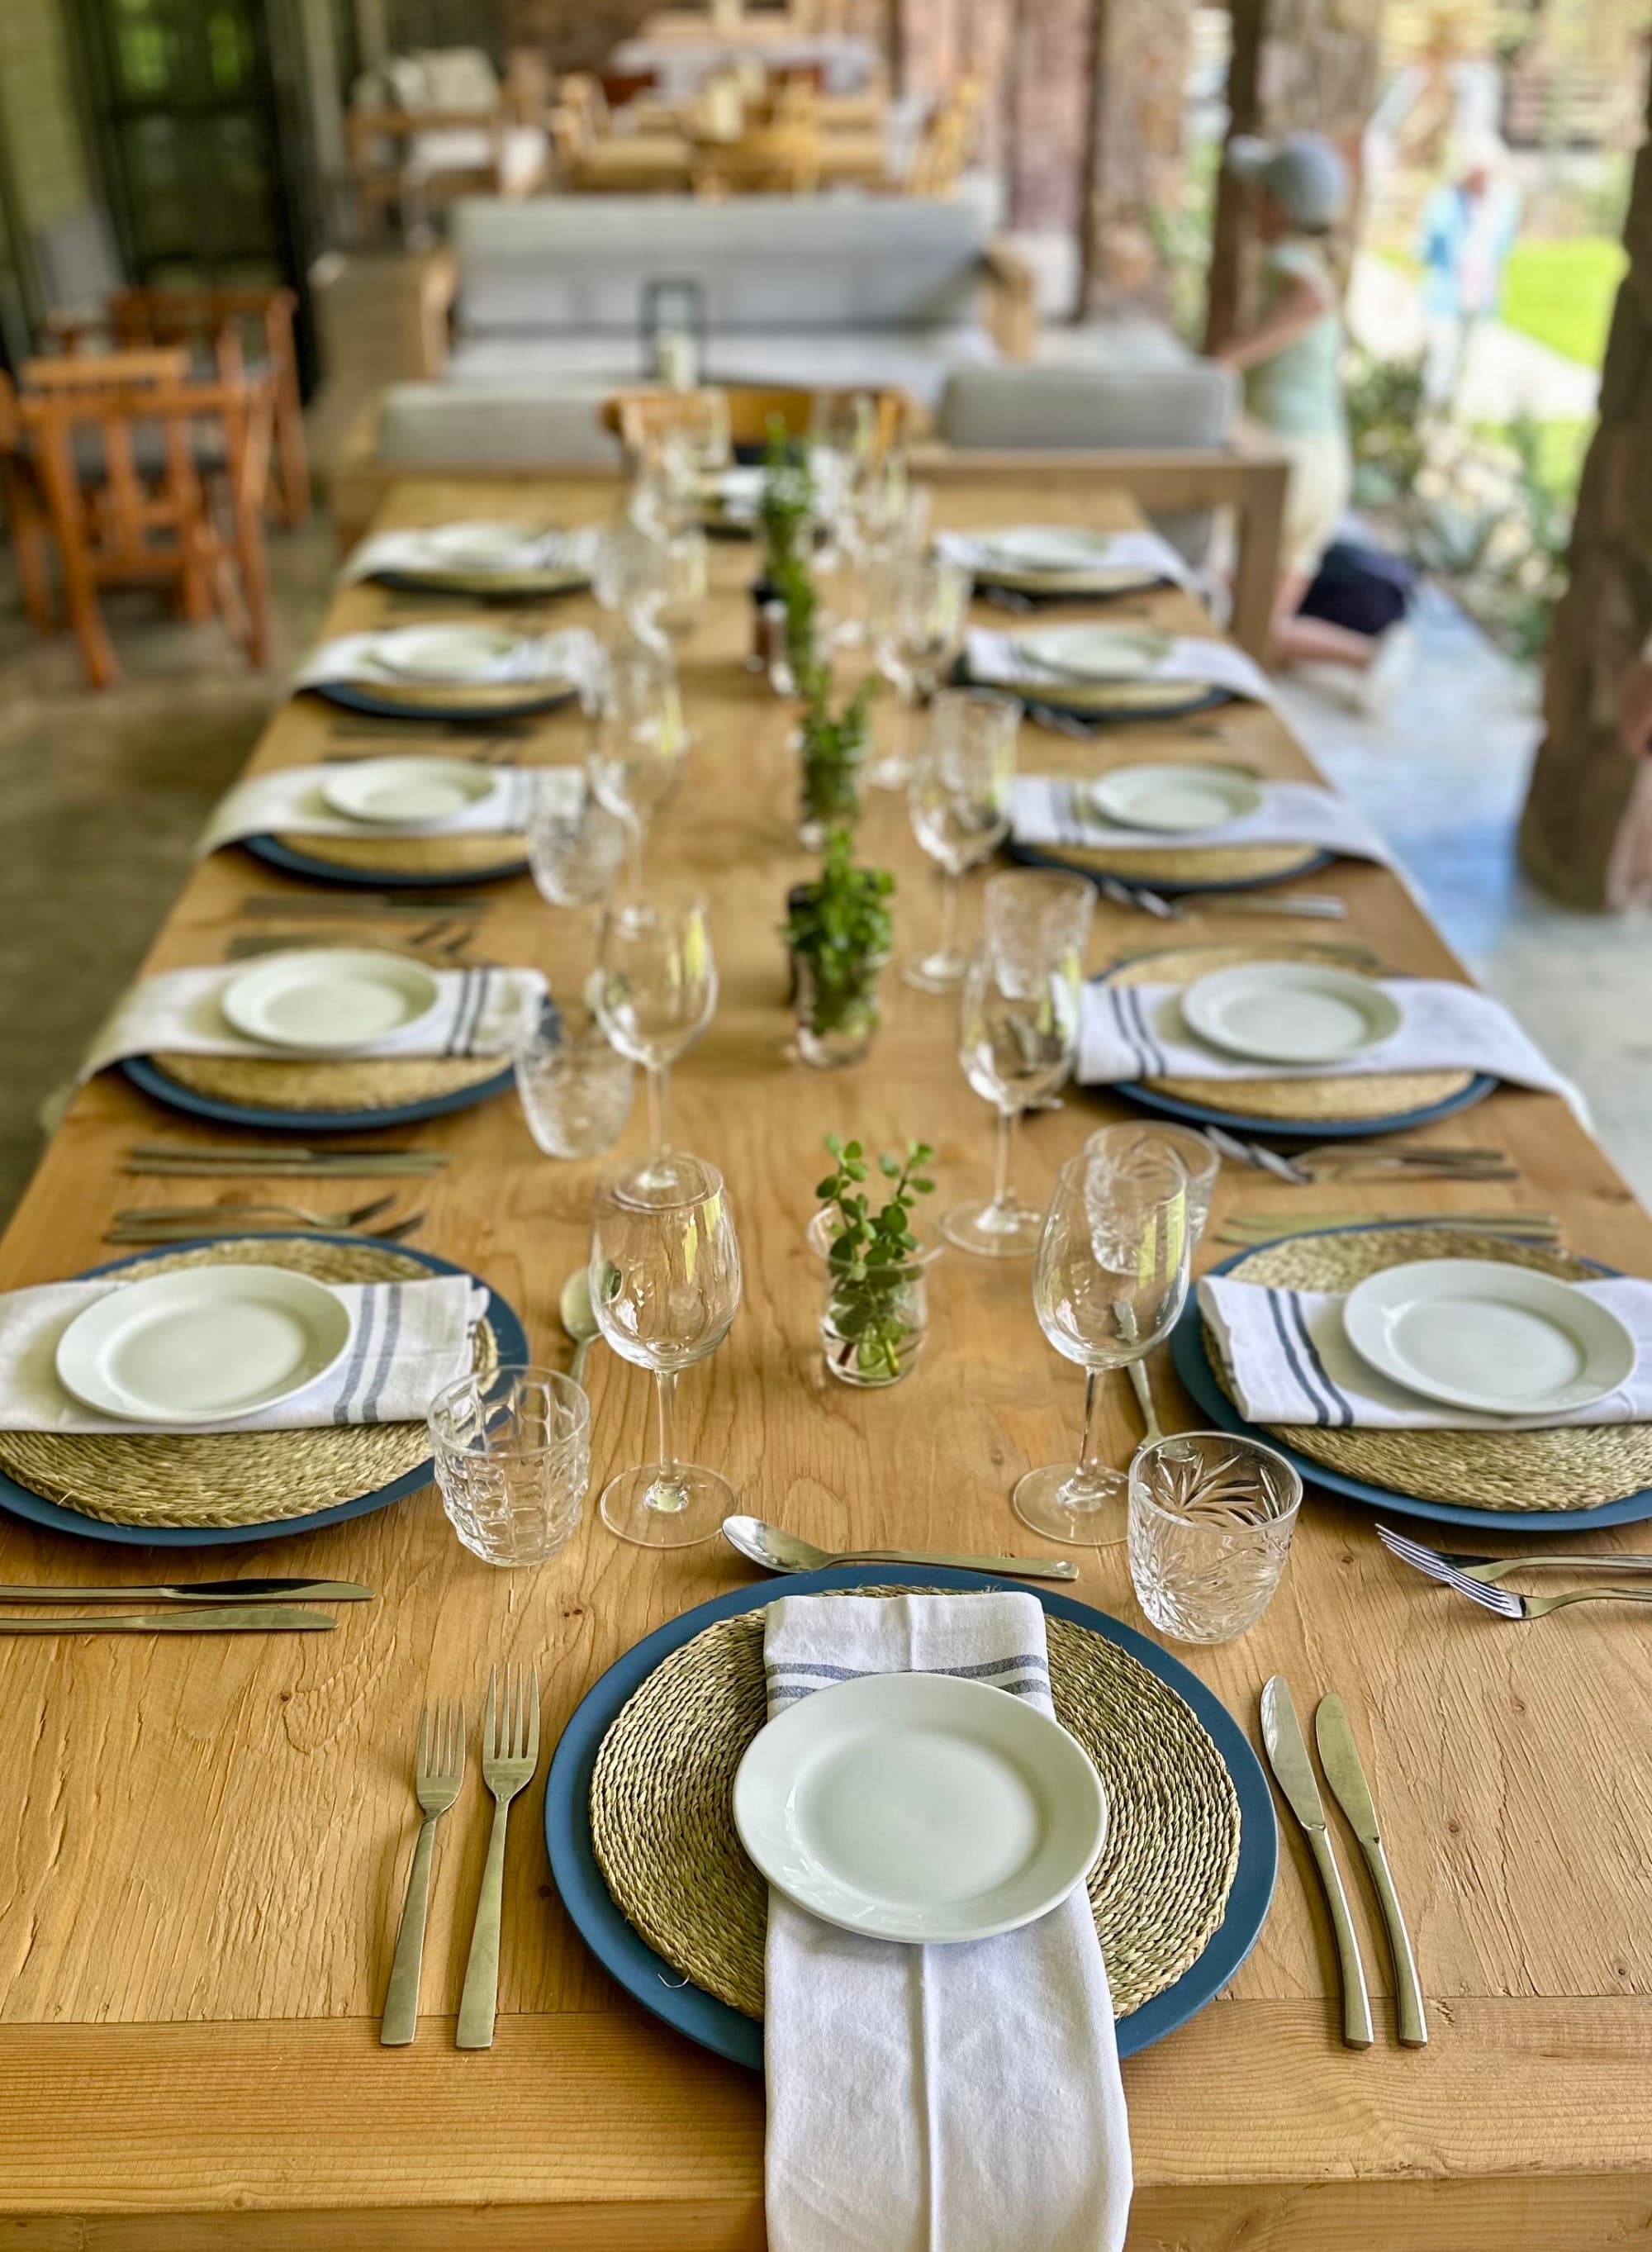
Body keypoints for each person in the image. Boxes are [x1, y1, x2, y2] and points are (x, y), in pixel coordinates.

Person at [1216, 132, 1412, 701]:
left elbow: (1310, 302)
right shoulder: (1321, 263)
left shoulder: (1288, 261)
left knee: (1224, 609)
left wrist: (1227, 359)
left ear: (1278, 208)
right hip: (1326, 465)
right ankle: (1368, 655)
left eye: (1260, 197)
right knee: (1258, 632)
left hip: (1281, 459)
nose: (1252, 208)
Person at [1417, 137, 1521, 411]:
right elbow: (1426, 247)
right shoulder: (1445, 201)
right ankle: (1434, 411)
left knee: (1471, 359)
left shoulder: (1503, 204)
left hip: (1482, 292)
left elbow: (1504, 246)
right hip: (1446, 291)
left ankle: (1456, 412)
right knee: (1442, 355)